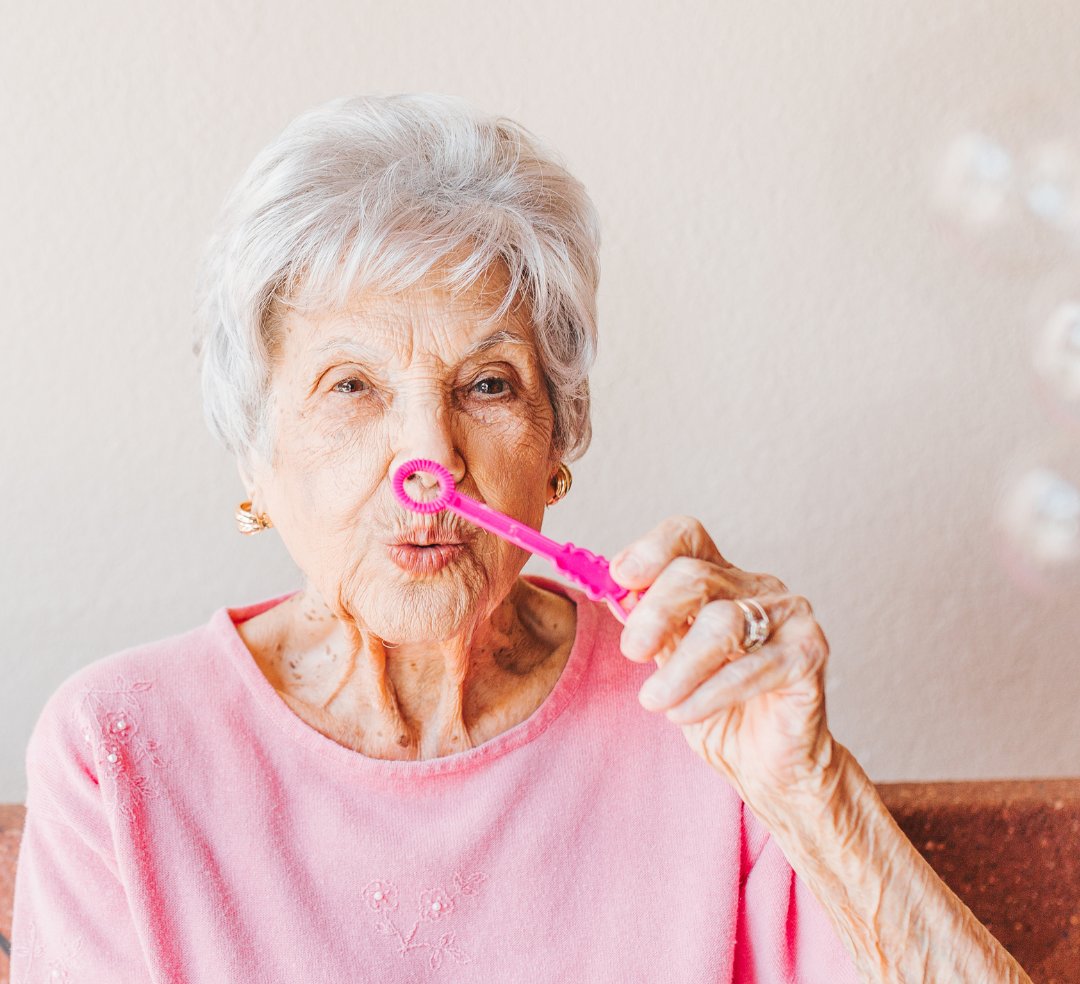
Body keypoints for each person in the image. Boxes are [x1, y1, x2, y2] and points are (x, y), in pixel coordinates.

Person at [10, 93, 1031, 983]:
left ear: (555, 445)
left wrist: (811, 790)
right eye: (352, 386)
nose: (431, 457)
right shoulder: (118, 749)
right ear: (255, 456)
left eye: (488, 384)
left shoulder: (694, 709)